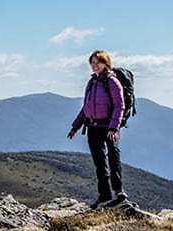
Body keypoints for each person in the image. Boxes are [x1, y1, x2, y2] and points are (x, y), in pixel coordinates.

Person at [66, 50, 128, 208]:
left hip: (109, 127)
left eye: (97, 62)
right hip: (92, 127)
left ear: (106, 63)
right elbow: (86, 107)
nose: (94, 66)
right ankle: (104, 194)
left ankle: (119, 191)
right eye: (92, 63)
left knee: (113, 157)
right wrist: (75, 126)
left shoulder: (112, 81)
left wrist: (114, 128)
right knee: (99, 162)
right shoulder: (92, 82)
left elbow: (120, 106)